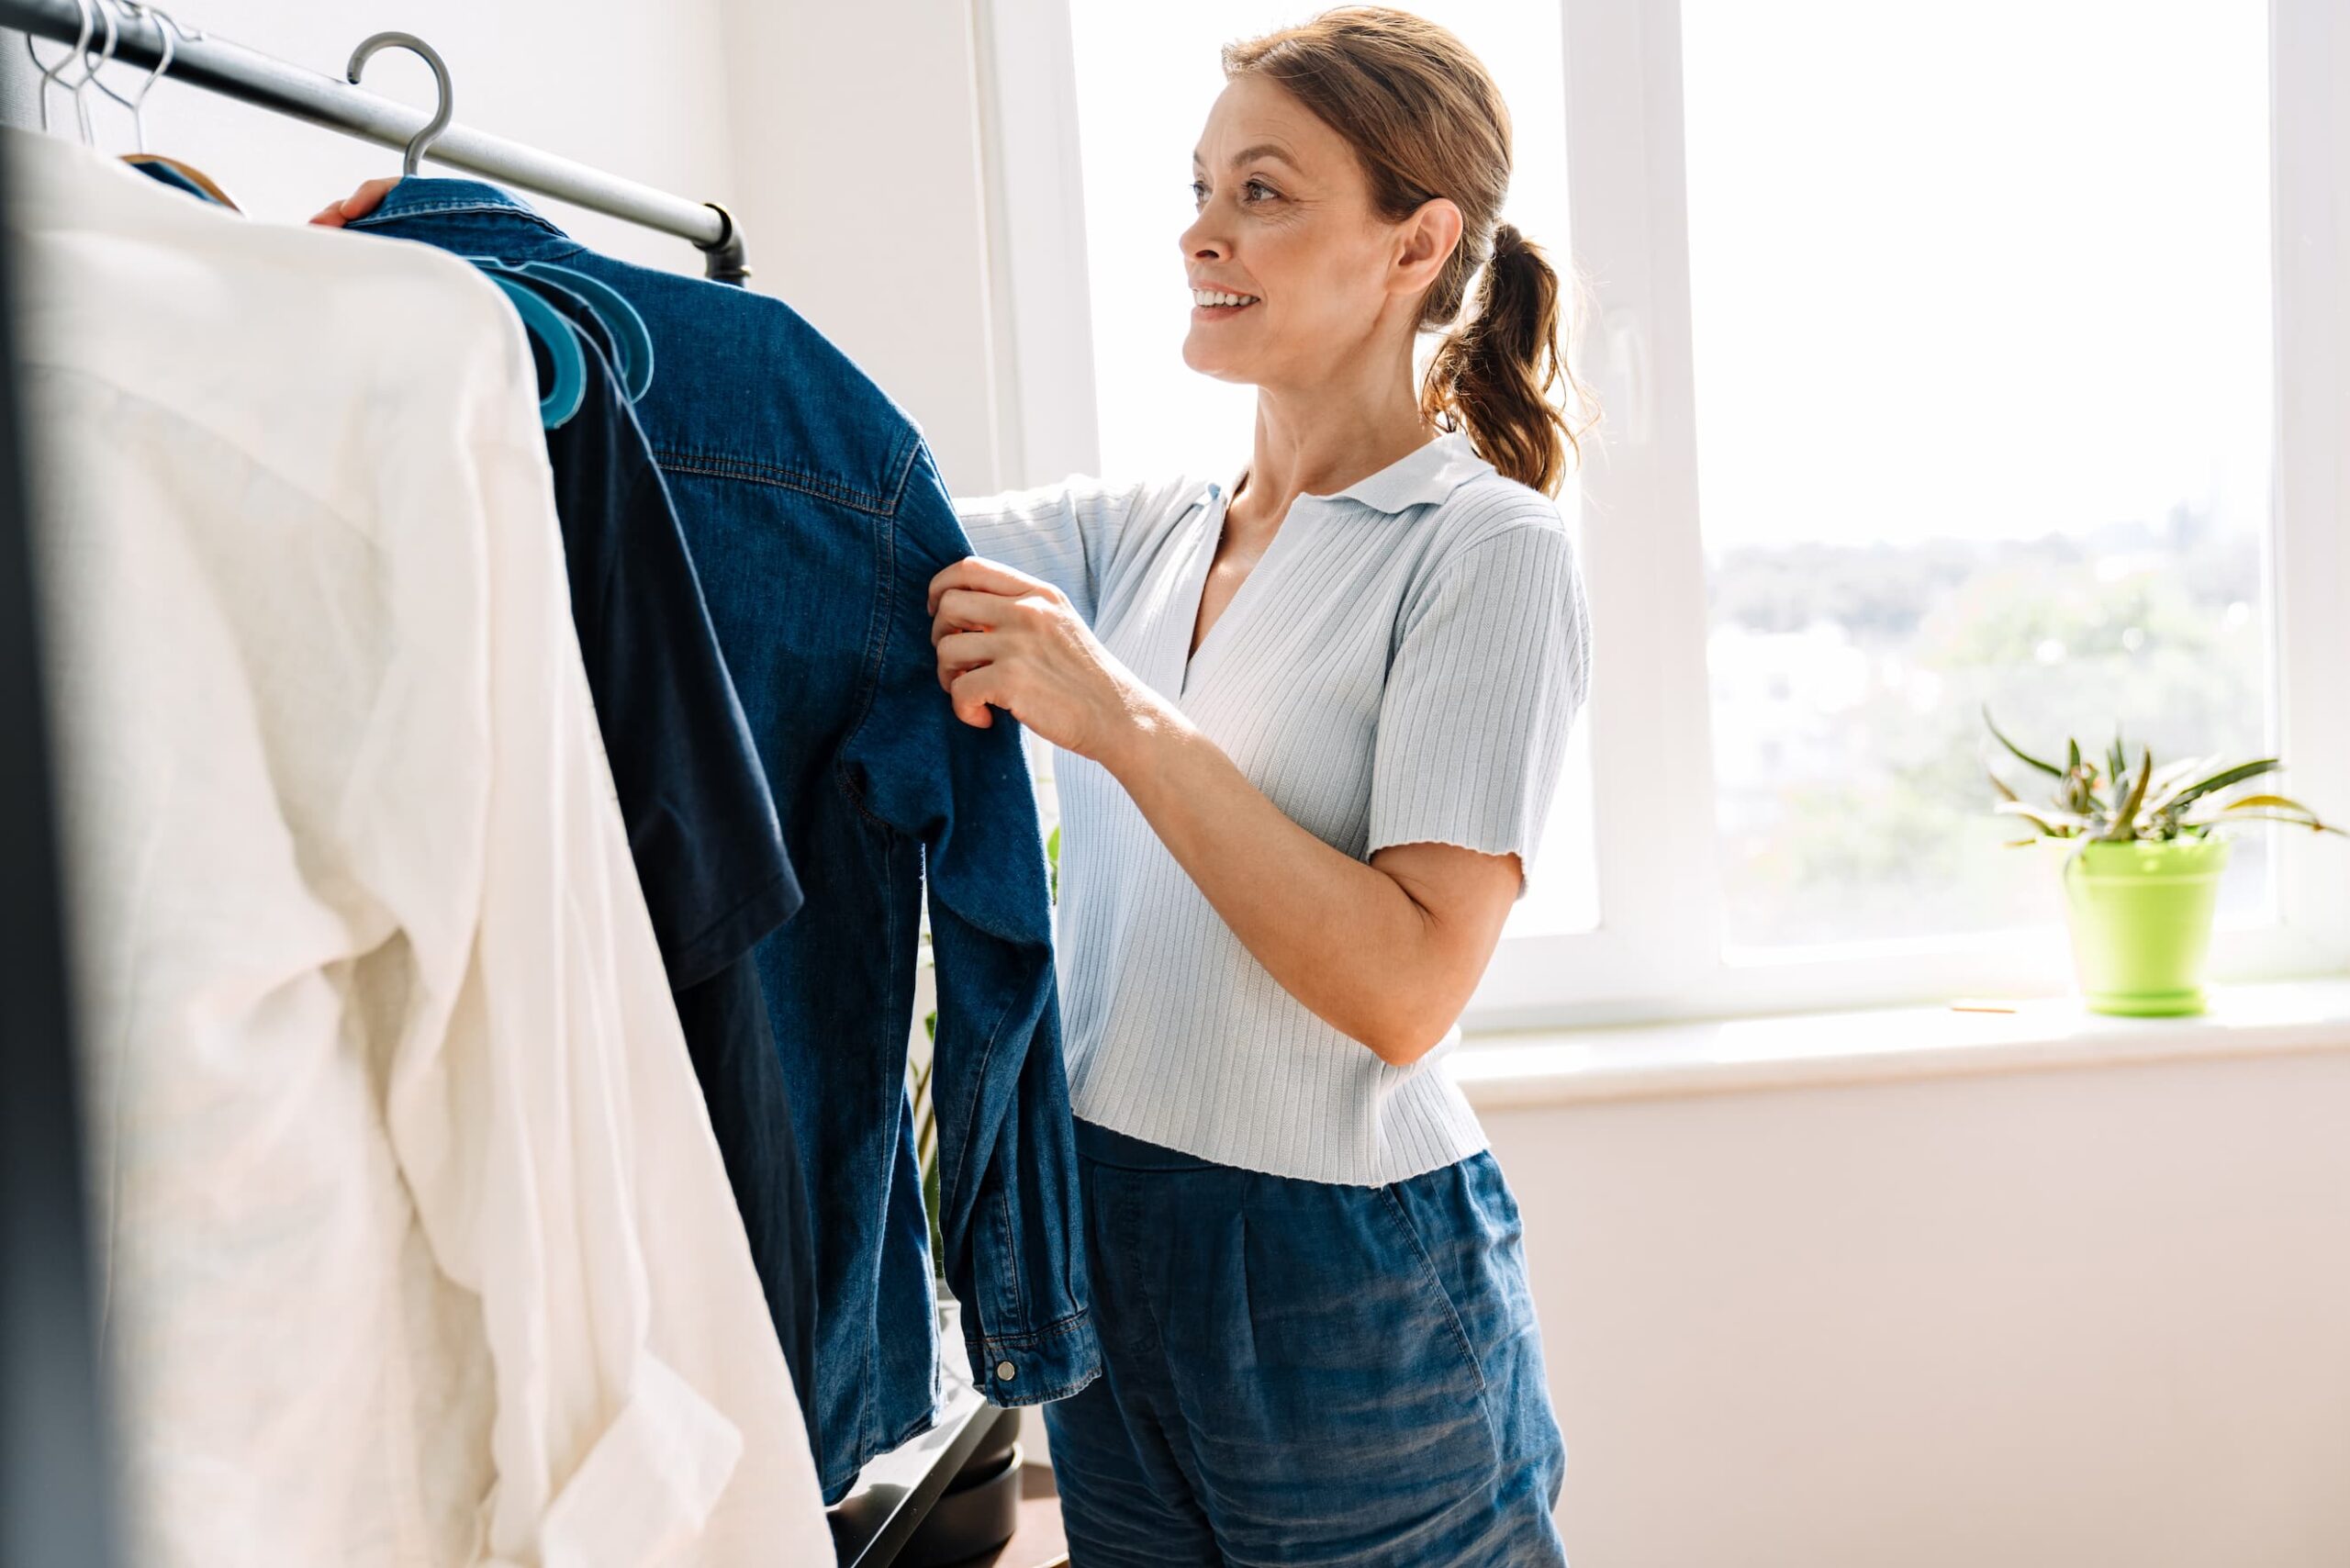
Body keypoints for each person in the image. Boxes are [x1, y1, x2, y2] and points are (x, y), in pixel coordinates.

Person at [315, 8, 1595, 1560]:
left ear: (1418, 242)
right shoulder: (1151, 532)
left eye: (1264, 192)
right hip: (1103, 1231)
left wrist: (1115, 718)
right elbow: (811, 509)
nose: (1202, 233)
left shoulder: (1486, 551)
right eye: (1199, 188)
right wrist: (476, 286)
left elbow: (1406, 985)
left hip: (1342, 1273)